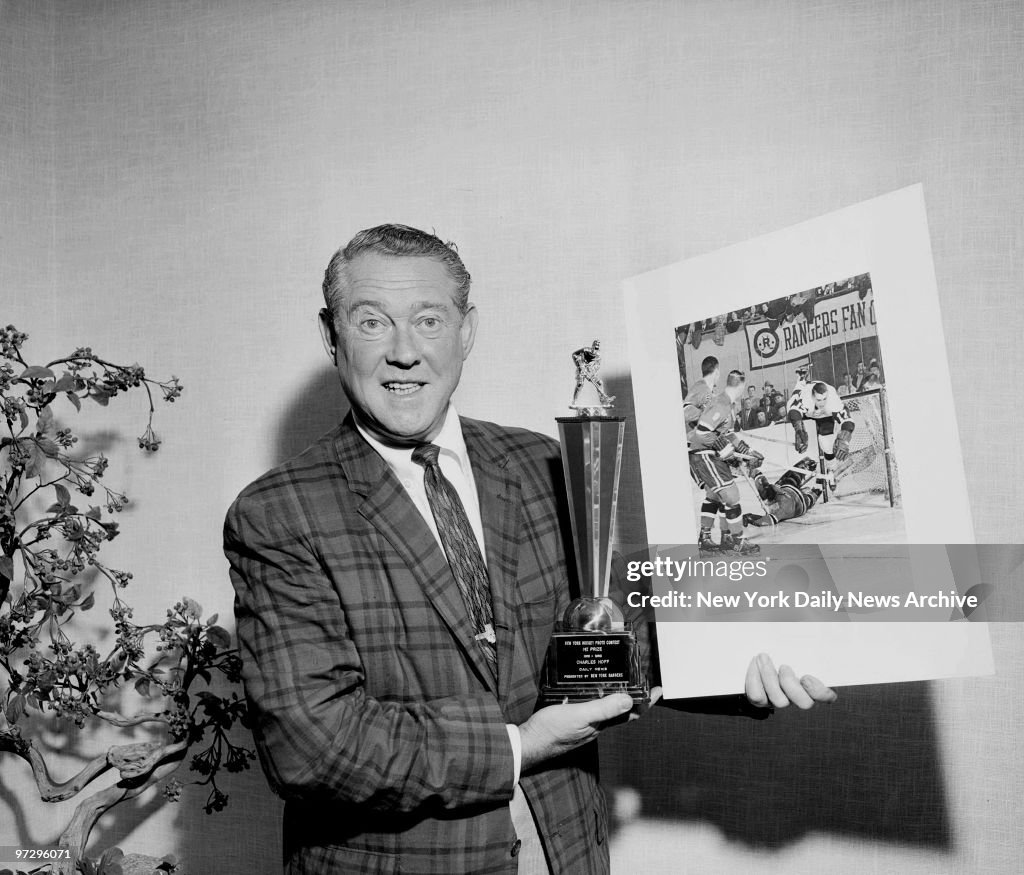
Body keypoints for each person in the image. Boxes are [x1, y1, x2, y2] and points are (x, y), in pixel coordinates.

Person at [224, 225, 837, 875]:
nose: (404, 351)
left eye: (428, 319)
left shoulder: (541, 462)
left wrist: (730, 660)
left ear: (465, 332)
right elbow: (311, 744)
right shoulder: (277, 515)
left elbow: (606, 641)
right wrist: (519, 746)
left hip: (564, 851)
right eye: (372, 321)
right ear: (331, 336)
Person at [687, 369, 763, 556]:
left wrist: (747, 450)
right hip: (703, 453)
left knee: (715, 495)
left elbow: (726, 433)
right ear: (742, 386)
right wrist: (724, 448)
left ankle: (709, 538)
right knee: (731, 496)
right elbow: (703, 432)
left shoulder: (728, 404)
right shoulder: (721, 404)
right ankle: (737, 541)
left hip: (705, 453)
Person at [786, 368, 855, 490]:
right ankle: (801, 378)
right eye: (819, 400)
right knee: (793, 400)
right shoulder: (806, 399)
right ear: (813, 397)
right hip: (809, 409)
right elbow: (793, 411)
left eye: (824, 399)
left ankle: (831, 471)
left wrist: (845, 439)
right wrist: (799, 430)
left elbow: (848, 421)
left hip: (825, 415)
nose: (822, 403)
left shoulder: (832, 400)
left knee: (827, 444)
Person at [742, 457, 824, 526]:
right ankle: (809, 467)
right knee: (791, 483)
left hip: (798, 500)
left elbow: (768, 521)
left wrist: (751, 518)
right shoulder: (780, 503)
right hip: (798, 500)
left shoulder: (778, 507)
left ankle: (816, 490)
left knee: (809, 496)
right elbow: (761, 480)